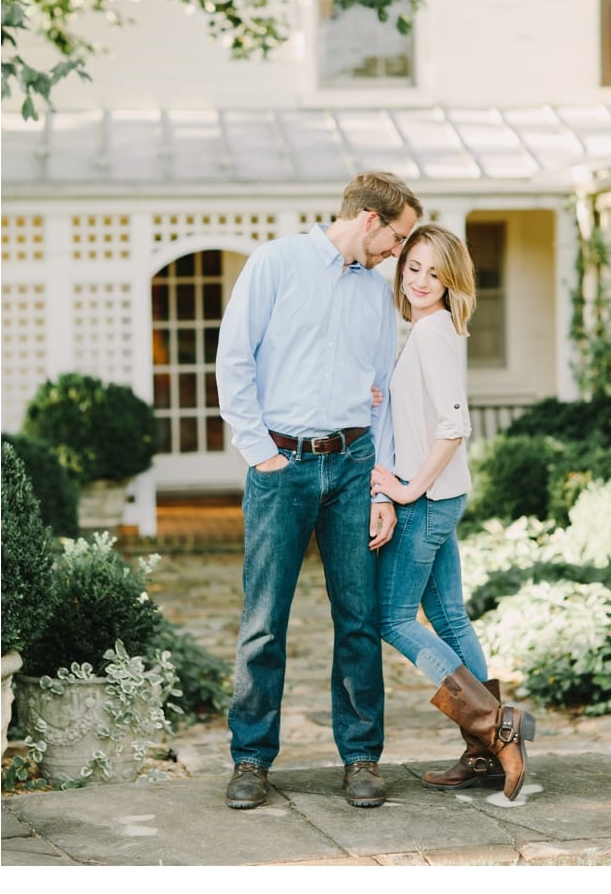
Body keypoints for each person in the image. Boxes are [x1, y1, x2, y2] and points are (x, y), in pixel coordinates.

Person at [216, 170, 421, 810]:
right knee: (264, 622)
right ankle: (250, 759)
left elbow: (383, 391)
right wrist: (261, 454)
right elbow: (234, 358)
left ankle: (361, 757)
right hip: (284, 463)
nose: (399, 252)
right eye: (397, 236)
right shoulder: (276, 263)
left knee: (357, 618)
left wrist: (384, 488)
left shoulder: (376, 295)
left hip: (355, 464)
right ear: (367, 217)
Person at [368, 223, 536, 801]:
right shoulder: (424, 331)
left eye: (434, 273)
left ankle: (497, 728)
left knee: (391, 618)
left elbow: (454, 426)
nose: (419, 280)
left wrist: (409, 489)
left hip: (429, 501)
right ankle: (486, 756)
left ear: (452, 282)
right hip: (446, 498)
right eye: (412, 266)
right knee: (451, 618)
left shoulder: (434, 332)